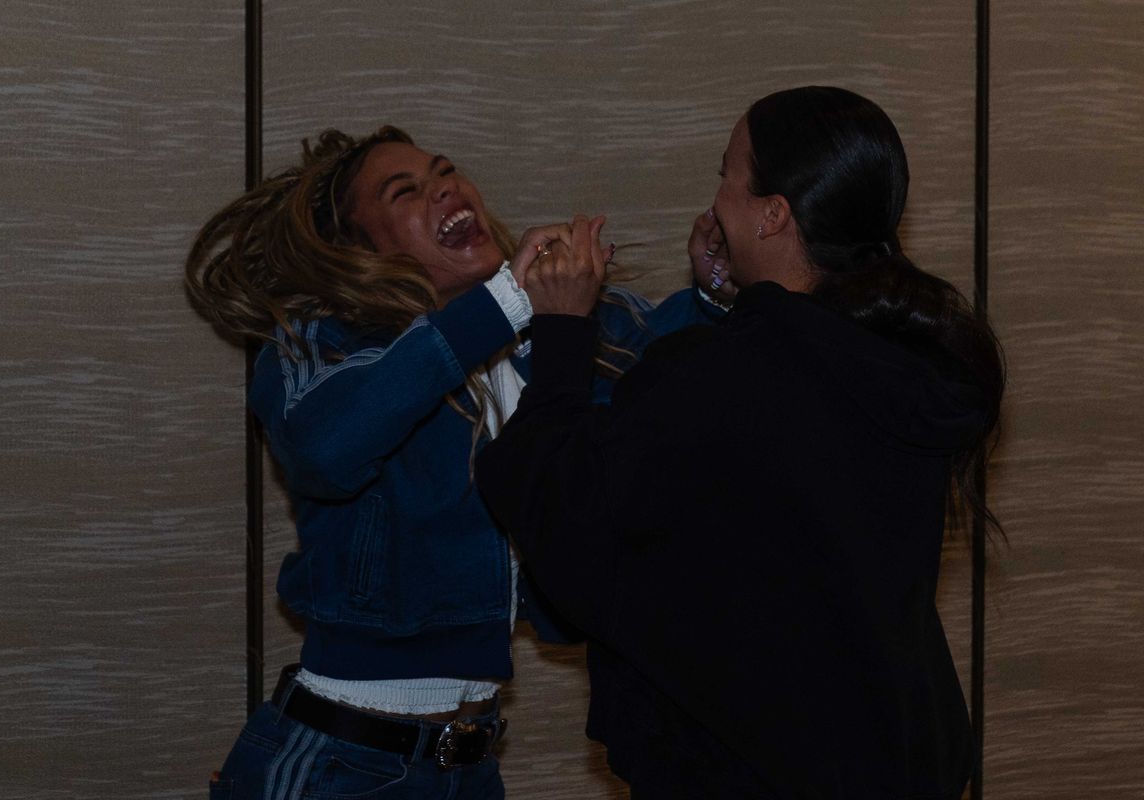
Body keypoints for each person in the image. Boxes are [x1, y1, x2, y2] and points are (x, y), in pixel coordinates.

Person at [475, 86, 1004, 800]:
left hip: (750, 770)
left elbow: (567, 525)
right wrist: (732, 305)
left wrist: (564, 332)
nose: (716, 203)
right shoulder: (899, 357)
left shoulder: (721, 373)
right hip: (891, 757)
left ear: (773, 212)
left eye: (725, 175)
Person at [185, 125, 729, 799]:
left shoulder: (541, 331)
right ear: (360, 248)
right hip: (336, 761)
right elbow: (324, 449)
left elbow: (669, 363)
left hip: (469, 765)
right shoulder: (319, 342)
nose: (444, 185)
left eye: (444, 171)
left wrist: (715, 293)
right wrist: (501, 303)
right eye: (404, 191)